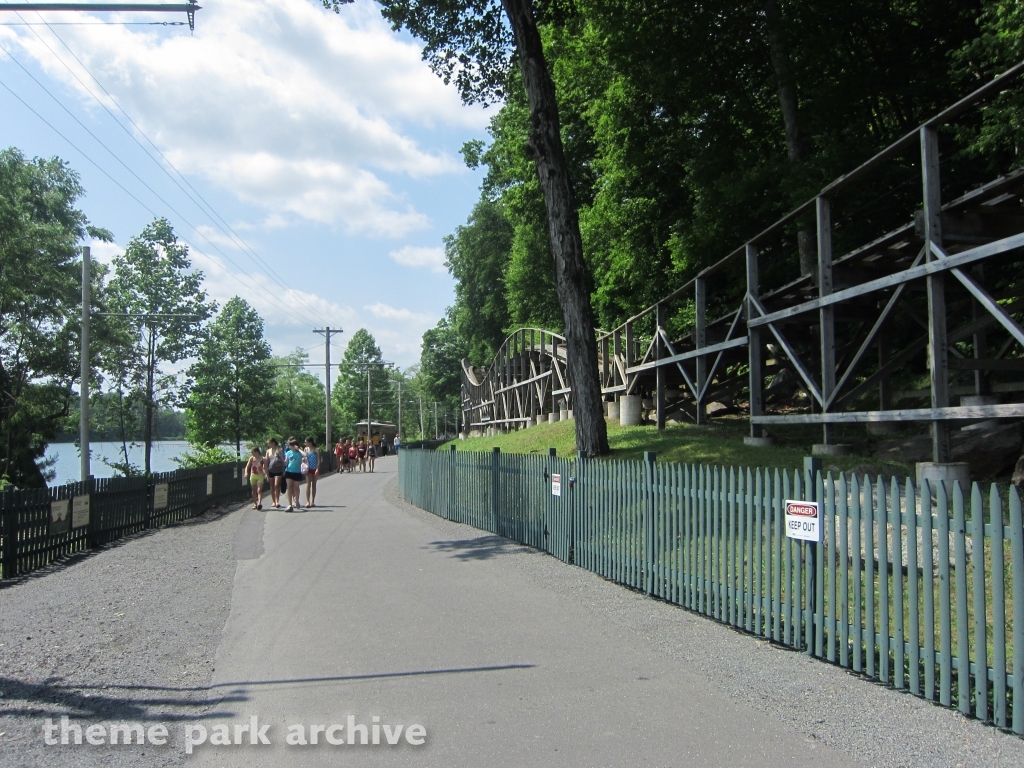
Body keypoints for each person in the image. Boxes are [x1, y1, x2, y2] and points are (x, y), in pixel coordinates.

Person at [283, 438, 304, 511]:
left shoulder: (299, 453)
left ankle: (297, 500)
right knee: (289, 487)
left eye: (291, 446)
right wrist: (280, 458)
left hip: (297, 472)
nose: (289, 447)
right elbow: (286, 462)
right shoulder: (288, 452)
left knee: (296, 487)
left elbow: (305, 455)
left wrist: (298, 449)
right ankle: (290, 504)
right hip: (289, 471)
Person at [265, 438, 285, 508]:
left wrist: (283, 470)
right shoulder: (268, 451)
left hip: (278, 469)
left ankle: (277, 501)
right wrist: (266, 473)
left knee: (277, 485)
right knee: (272, 486)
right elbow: (266, 461)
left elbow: (282, 460)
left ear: (273, 443)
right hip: (271, 469)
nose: (268, 444)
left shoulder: (279, 450)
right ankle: (273, 501)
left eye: (269, 443)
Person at [304, 437, 320, 507]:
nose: (305, 443)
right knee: (308, 485)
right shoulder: (305, 449)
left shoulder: (316, 450)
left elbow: (319, 460)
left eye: (306, 442)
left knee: (314, 484)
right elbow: (304, 458)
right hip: (308, 469)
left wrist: (317, 468)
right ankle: (308, 501)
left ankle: (313, 501)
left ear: (310, 442)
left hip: (314, 468)